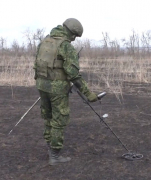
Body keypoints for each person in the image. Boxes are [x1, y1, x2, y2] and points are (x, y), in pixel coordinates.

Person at [33, 18, 98, 165]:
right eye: (74, 35)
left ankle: (50, 150)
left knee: (48, 118)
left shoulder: (45, 41)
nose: (74, 39)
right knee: (59, 120)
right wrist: (88, 93)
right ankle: (54, 156)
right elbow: (73, 74)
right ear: (70, 32)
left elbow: (36, 64)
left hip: (42, 85)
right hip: (57, 89)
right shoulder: (66, 46)